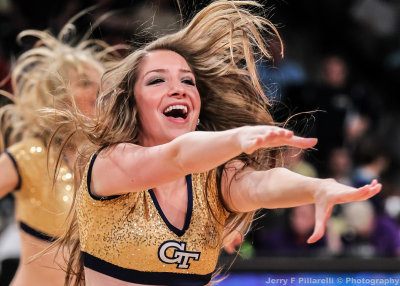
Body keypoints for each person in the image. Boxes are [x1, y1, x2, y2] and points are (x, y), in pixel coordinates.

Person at [51, 1, 382, 285]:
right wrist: (237, 138)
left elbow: (259, 184)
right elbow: (177, 157)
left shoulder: (215, 178)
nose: (178, 88)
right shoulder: (113, 163)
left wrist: (315, 187)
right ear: (132, 103)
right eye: (157, 80)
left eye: (187, 81)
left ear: (197, 108)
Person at [0, 21, 120, 286]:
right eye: (86, 83)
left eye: (103, 83)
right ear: (58, 96)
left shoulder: (116, 161)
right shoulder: (29, 157)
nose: (100, 91)